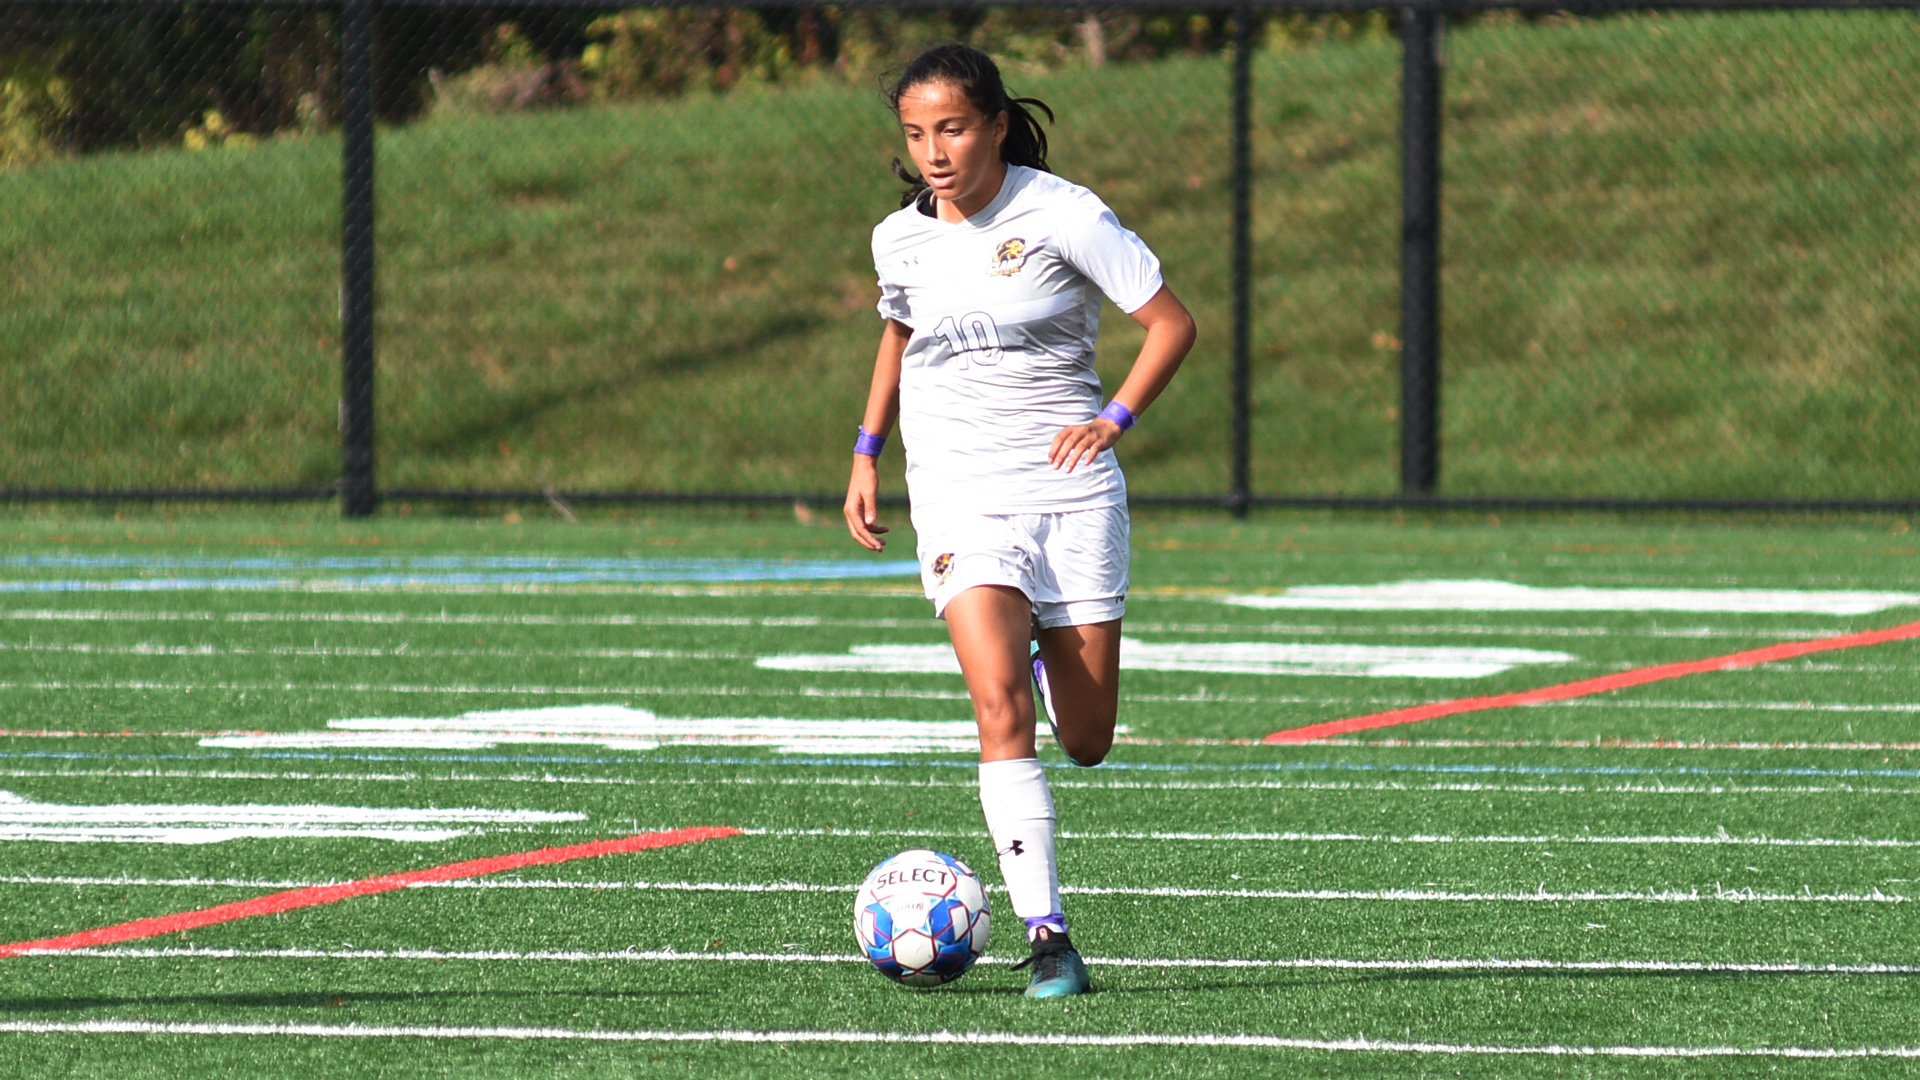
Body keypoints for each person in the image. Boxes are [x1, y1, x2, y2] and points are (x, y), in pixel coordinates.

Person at [843, 43, 1195, 1000]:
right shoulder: (898, 237)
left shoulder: (1064, 213)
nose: (934, 151)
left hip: (1070, 494)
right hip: (960, 489)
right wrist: (867, 453)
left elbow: (1171, 323)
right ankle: (1050, 939)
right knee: (997, 706)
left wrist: (1112, 418)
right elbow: (899, 333)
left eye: (952, 128)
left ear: (997, 122)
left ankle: (1049, 657)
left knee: (1085, 739)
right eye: (916, 134)